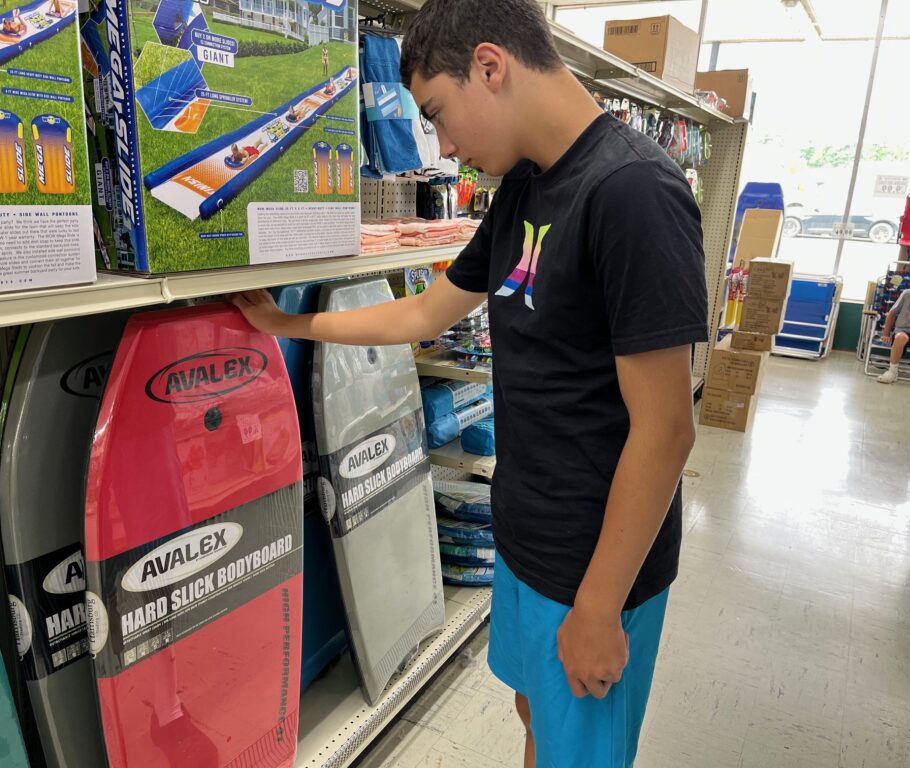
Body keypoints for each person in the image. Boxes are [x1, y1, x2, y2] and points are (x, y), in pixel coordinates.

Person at [230, 1, 706, 766]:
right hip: (529, 540)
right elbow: (426, 310)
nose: (445, 144)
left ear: (490, 66)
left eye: (439, 115)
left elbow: (666, 429)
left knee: (578, 751)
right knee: (534, 719)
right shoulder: (526, 188)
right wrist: (290, 326)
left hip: (594, 566)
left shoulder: (633, 193)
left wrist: (598, 606)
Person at [876, 287, 910, 383]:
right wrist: (886, 334)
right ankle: (892, 372)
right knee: (901, 337)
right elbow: (892, 313)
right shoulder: (907, 293)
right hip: (904, 330)